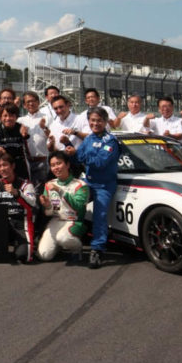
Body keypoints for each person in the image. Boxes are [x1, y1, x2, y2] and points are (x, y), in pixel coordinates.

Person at [76, 107, 120, 269]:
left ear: (106, 121)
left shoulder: (110, 141)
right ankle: (75, 238)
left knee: (99, 215)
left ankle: (97, 249)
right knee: (74, 205)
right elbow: (78, 156)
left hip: (104, 185)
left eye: (99, 120)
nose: (95, 123)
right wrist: (88, 156)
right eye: (92, 120)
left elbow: (101, 163)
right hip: (88, 182)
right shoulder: (88, 138)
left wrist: (87, 157)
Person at [0, 153, 37, 263]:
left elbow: (32, 204)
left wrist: (16, 193)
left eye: (5, 165)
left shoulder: (26, 184)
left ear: (13, 166)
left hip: (21, 223)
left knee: (23, 257)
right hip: (3, 223)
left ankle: (28, 242)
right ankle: (8, 243)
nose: (2, 169)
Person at [37, 151, 90, 262]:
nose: (56, 167)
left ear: (67, 165)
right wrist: (47, 206)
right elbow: (50, 212)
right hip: (56, 220)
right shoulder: (49, 184)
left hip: (74, 221)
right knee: (44, 255)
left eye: (59, 163)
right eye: (53, 165)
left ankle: (76, 249)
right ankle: (58, 245)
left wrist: (59, 190)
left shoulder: (81, 185)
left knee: (64, 238)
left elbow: (78, 206)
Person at [0, 103, 30, 181]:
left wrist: (25, 136)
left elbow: (29, 150)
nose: (8, 118)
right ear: (0, 117)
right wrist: (0, 153)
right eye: (5, 115)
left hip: (21, 167)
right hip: (4, 168)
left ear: (16, 117)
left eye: (11, 115)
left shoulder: (22, 128)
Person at [17, 91, 50, 188]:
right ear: (24, 105)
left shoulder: (47, 118)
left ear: (38, 102)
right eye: (28, 102)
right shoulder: (20, 120)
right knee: (27, 189)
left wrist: (44, 128)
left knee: (40, 190)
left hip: (43, 161)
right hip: (26, 162)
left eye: (33, 101)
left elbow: (52, 137)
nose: (31, 104)